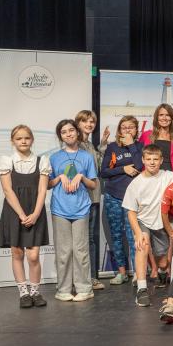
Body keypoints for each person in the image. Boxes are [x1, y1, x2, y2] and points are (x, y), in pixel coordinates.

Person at [0, 125, 51, 308]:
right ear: (13, 141)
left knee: (34, 255)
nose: (23, 141)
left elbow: (43, 189)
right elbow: (7, 190)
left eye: (26, 138)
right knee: (17, 252)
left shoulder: (41, 161)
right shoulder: (7, 161)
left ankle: (35, 291)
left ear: (32, 140)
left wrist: (35, 214)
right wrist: (22, 215)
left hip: (35, 210)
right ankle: (23, 293)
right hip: (15, 211)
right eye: (19, 138)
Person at [49, 119, 98, 302]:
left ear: (77, 133)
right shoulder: (54, 158)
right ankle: (63, 289)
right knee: (64, 251)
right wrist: (60, 177)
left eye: (71, 130)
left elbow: (93, 184)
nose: (68, 134)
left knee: (80, 250)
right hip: (60, 209)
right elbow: (47, 184)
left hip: (81, 208)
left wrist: (81, 177)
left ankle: (85, 288)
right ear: (60, 136)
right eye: (64, 132)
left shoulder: (86, 157)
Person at [124, 144, 173, 307]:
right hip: (143, 221)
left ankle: (161, 272)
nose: (152, 162)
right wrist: (138, 233)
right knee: (142, 245)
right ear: (143, 160)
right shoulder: (136, 183)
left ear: (161, 161)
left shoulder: (169, 176)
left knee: (163, 263)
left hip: (161, 223)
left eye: (155, 159)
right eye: (148, 159)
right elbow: (131, 212)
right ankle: (142, 289)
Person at [100, 116, 144, 286]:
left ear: (136, 131)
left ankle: (137, 273)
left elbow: (140, 166)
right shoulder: (112, 147)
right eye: (124, 127)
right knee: (116, 235)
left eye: (131, 127)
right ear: (119, 131)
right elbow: (103, 171)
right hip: (113, 196)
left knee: (134, 237)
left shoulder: (140, 147)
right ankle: (122, 272)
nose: (127, 130)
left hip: (133, 198)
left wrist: (132, 144)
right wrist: (122, 169)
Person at [75, 110, 108, 290]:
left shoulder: (89, 145)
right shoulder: (75, 144)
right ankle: (81, 278)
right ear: (77, 123)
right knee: (82, 239)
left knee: (91, 239)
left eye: (91, 121)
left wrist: (102, 145)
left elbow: (99, 168)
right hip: (79, 198)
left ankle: (92, 277)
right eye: (85, 121)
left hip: (93, 198)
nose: (89, 124)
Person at [140, 103, 173, 171]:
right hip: (150, 174)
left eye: (167, 115)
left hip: (170, 176)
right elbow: (139, 157)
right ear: (157, 117)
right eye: (161, 115)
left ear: (172, 118)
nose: (164, 118)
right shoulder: (146, 135)